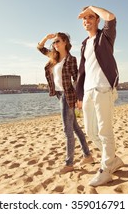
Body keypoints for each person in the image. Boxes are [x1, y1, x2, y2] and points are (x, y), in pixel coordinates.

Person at [76, 5, 124, 186]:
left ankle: (105, 169)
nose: (86, 21)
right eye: (84, 19)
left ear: (97, 20)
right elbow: (83, 71)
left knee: (105, 131)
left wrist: (90, 7)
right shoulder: (84, 44)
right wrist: (79, 95)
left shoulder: (105, 37)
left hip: (104, 89)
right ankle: (113, 159)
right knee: (90, 131)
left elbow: (111, 17)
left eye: (90, 17)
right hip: (88, 91)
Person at [37, 32, 94, 174]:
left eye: (57, 41)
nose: (55, 44)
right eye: (54, 42)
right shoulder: (53, 57)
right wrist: (46, 38)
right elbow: (40, 48)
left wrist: (79, 98)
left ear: (65, 42)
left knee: (67, 130)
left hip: (67, 96)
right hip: (58, 94)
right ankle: (87, 155)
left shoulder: (71, 59)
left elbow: (77, 79)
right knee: (74, 127)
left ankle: (69, 163)